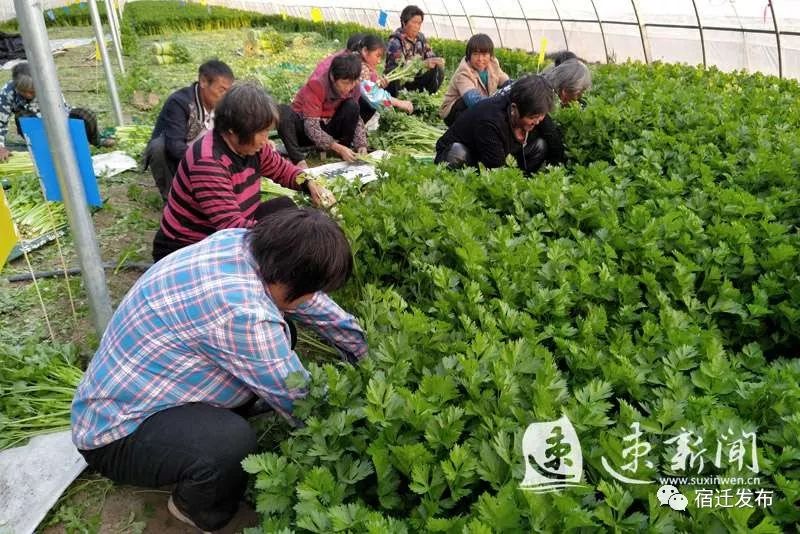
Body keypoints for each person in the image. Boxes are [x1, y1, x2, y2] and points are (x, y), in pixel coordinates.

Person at [72, 207, 367, 533]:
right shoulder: (242, 309)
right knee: (230, 443)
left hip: (146, 386)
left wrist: (361, 349)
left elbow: (311, 303)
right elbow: (298, 399)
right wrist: (351, 436)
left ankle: (207, 435)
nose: (313, 297)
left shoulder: (247, 246)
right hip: (117, 435)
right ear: (290, 278)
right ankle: (195, 509)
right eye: (312, 288)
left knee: (284, 331)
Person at [153, 82, 333, 262]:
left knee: (286, 208)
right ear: (232, 130)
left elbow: (282, 169)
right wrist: (288, 234)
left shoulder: (252, 145)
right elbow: (231, 228)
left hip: (229, 226)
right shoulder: (208, 162)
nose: (266, 140)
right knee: (284, 241)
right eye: (261, 133)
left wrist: (308, 182)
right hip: (190, 246)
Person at [435, 74, 562, 175]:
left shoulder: (535, 109)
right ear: (514, 109)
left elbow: (553, 139)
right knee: (457, 152)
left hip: (500, 155)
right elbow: (496, 169)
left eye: (541, 115)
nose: (538, 121)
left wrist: (557, 168)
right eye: (533, 118)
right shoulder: (490, 121)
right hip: (471, 156)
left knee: (540, 145)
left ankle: (525, 178)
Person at [144, 59, 234, 200]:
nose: (225, 96)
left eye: (228, 91)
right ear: (203, 82)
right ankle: (171, 196)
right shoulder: (180, 103)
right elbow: (175, 147)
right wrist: (208, 166)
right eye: (221, 90)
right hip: (179, 159)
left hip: (207, 155)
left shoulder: (224, 104)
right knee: (158, 147)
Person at [0, 62, 111, 162]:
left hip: (58, 120)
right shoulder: (8, 92)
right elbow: (1, 121)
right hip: (34, 126)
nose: (29, 95)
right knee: (24, 118)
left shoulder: (48, 87)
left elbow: (60, 113)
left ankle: (96, 141)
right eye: (24, 92)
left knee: (86, 114)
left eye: (33, 92)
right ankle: (43, 148)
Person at [277, 53, 368, 167]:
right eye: (345, 83)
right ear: (333, 77)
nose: (349, 87)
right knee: (282, 111)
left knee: (352, 105)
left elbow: (356, 118)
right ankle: (298, 160)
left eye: (353, 83)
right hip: (305, 130)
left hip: (329, 127)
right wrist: (338, 147)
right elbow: (311, 127)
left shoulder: (353, 86)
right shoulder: (317, 85)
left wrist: (361, 145)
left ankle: (341, 149)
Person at [439, 33, 509, 126]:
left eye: (484, 54)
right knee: (464, 103)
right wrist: (500, 106)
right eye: (476, 54)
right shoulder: (464, 72)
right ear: (469, 55)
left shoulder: (492, 64)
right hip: (453, 113)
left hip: (481, 105)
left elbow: (504, 80)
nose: (480, 59)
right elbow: (473, 101)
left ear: (490, 55)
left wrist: (516, 87)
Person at [348, 33, 414, 125]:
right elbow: (371, 94)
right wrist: (398, 103)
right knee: (368, 104)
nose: (379, 61)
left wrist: (379, 86)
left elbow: (368, 88)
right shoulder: (359, 66)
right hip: (339, 111)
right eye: (377, 56)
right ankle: (356, 126)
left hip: (341, 107)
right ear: (365, 51)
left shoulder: (356, 59)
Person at [385, 5, 445, 97]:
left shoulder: (420, 39)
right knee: (393, 71)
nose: (417, 26)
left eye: (419, 23)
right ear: (404, 22)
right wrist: (423, 64)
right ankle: (399, 99)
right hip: (401, 81)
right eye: (414, 22)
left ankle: (424, 97)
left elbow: (430, 55)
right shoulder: (396, 41)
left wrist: (436, 60)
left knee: (437, 69)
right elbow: (396, 68)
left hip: (415, 78)